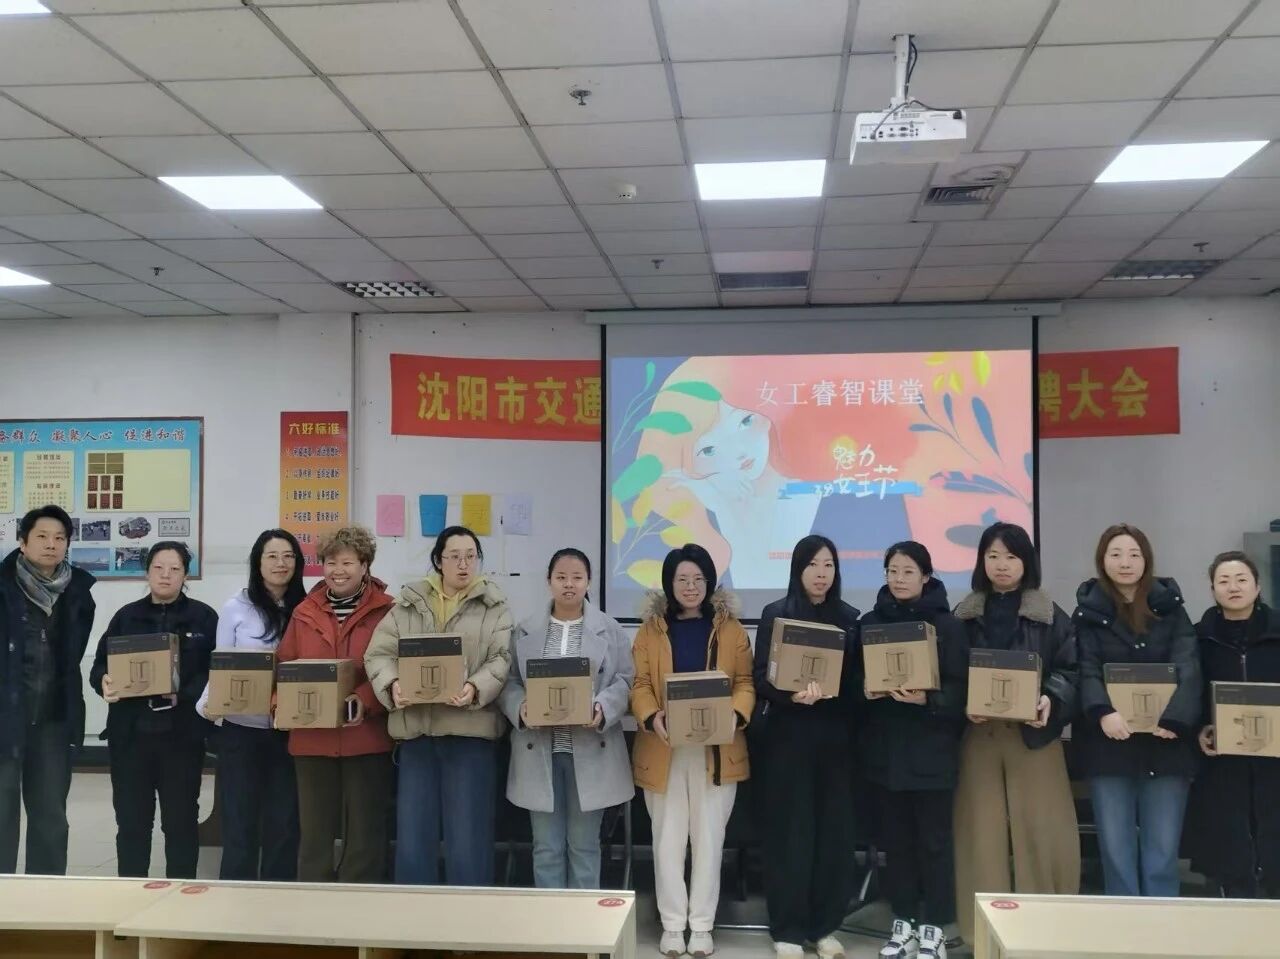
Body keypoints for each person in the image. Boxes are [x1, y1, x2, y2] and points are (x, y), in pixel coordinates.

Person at [952, 522, 1079, 944]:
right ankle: (982, 935)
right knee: (980, 835)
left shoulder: (1050, 614)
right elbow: (948, 673)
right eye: (993, 556)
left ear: (1026, 562)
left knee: (1043, 831)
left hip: (1034, 735)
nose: (1001, 565)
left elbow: (1071, 669)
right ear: (981, 562)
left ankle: (1047, 931)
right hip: (979, 736)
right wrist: (962, 705)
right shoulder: (963, 615)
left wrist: (1051, 699)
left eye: (1011, 556)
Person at [366, 525, 512, 886]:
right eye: (454, 556)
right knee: (414, 837)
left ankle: (469, 917)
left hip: (470, 733)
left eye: (471, 557)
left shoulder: (495, 607)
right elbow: (378, 654)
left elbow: (502, 659)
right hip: (418, 734)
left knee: (469, 838)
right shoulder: (408, 603)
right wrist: (393, 685)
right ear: (438, 561)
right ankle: (415, 917)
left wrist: (474, 688)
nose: (463, 564)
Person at [631, 543, 755, 959]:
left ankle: (701, 927)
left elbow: (746, 682)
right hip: (664, 748)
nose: (690, 587)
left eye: (698, 579)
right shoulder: (650, 630)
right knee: (667, 841)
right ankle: (672, 925)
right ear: (669, 583)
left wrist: (735, 714)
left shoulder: (731, 629)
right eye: (682, 579)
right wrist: (652, 716)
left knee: (708, 841)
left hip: (716, 750)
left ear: (709, 583)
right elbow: (639, 684)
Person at [1073, 524, 1200, 898]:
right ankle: (1122, 926)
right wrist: (1101, 711)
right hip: (1109, 744)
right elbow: (1084, 667)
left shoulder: (1172, 609)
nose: (1125, 562)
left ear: (1146, 560)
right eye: (1115, 554)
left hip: (1166, 743)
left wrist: (1175, 717)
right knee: (1116, 850)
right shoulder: (1087, 613)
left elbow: (1189, 665)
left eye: (1133, 554)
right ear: (1103, 561)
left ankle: (1162, 926)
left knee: (1163, 850)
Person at [497, 548, 634, 889]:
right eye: (561, 577)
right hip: (540, 750)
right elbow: (509, 682)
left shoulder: (611, 630)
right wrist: (521, 707)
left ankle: (583, 922)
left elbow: (626, 681)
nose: (569, 585)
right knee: (546, 847)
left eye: (577, 578)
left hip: (590, 749)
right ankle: (551, 922)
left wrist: (602, 707)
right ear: (549, 582)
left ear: (589, 582)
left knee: (584, 846)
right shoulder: (525, 630)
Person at [752, 535, 861, 959]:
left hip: (835, 740)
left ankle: (824, 927)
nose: (821, 573)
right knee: (790, 835)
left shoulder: (849, 619)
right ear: (798, 569)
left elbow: (856, 683)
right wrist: (790, 694)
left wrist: (838, 690)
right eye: (813, 565)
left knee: (833, 836)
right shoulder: (776, 614)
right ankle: (787, 928)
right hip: (788, 738)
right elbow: (761, 676)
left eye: (828, 565)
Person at [859, 541, 968, 959]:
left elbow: (963, 689)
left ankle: (936, 927)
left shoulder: (949, 626)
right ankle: (903, 922)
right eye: (893, 571)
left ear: (926, 576)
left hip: (932, 753)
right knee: (896, 844)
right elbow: (850, 683)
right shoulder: (870, 623)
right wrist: (865, 689)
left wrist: (929, 698)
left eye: (908, 571)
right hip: (885, 754)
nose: (899, 579)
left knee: (934, 844)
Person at [90, 541, 217, 878]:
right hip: (131, 736)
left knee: (180, 823)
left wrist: (184, 693)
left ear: (185, 575)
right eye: (158, 568)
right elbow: (100, 666)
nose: (165, 575)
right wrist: (103, 681)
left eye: (174, 569)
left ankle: (180, 897)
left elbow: (215, 671)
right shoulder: (126, 617)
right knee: (132, 823)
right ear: (147, 572)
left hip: (182, 737)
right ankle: (130, 895)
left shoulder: (204, 617)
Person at [278, 525, 393, 883]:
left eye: (347, 562)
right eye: (330, 562)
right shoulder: (303, 612)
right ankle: (312, 906)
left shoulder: (388, 611)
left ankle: (359, 907)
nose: (337, 571)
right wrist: (279, 705)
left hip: (366, 737)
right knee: (314, 835)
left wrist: (366, 700)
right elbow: (283, 666)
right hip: (311, 739)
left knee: (365, 835)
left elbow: (394, 665)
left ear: (365, 565)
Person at [196, 529, 305, 880]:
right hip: (241, 732)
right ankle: (236, 898)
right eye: (272, 556)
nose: (280, 563)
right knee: (239, 822)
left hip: (290, 732)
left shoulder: (307, 608)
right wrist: (207, 705)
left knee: (284, 823)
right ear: (258, 563)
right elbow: (221, 665)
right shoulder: (235, 608)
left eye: (288, 556)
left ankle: (277, 897)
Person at [0, 505, 97, 874]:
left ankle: (47, 894)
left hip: (54, 719)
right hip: (6, 718)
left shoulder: (78, 593)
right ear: (23, 542)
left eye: (59, 538)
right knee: (2, 813)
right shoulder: (3, 588)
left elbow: (71, 658)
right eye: (41, 536)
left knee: (51, 816)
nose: (51, 544)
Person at [1183, 551, 1280, 898]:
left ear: (1257, 586)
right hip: (1222, 761)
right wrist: (1201, 729)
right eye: (1223, 581)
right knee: (1230, 846)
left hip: (1274, 761)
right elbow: (1189, 692)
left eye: (1241, 580)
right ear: (1213, 589)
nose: (1233, 587)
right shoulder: (1198, 638)